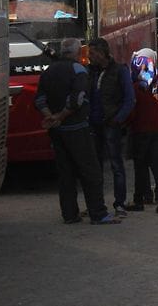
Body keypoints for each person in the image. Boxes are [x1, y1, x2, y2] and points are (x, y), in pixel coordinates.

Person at [35, 38, 117, 225]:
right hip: (77, 128)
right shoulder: (78, 70)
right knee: (91, 171)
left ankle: (70, 214)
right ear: (77, 52)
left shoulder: (48, 72)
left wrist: (51, 117)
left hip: (57, 131)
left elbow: (39, 99)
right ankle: (98, 213)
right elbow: (77, 99)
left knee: (66, 173)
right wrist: (61, 116)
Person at [87, 38, 135, 216]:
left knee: (116, 165)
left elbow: (129, 99)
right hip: (94, 125)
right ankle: (97, 204)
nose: (89, 57)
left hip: (111, 125)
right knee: (95, 166)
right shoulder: (90, 72)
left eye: (92, 53)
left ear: (101, 53)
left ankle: (119, 203)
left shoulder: (119, 71)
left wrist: (118, 119)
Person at [127, 52, 158, 214]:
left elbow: (131, 110)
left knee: (141, 167)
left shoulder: (135, 87)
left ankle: (139, 199)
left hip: (139, 131)